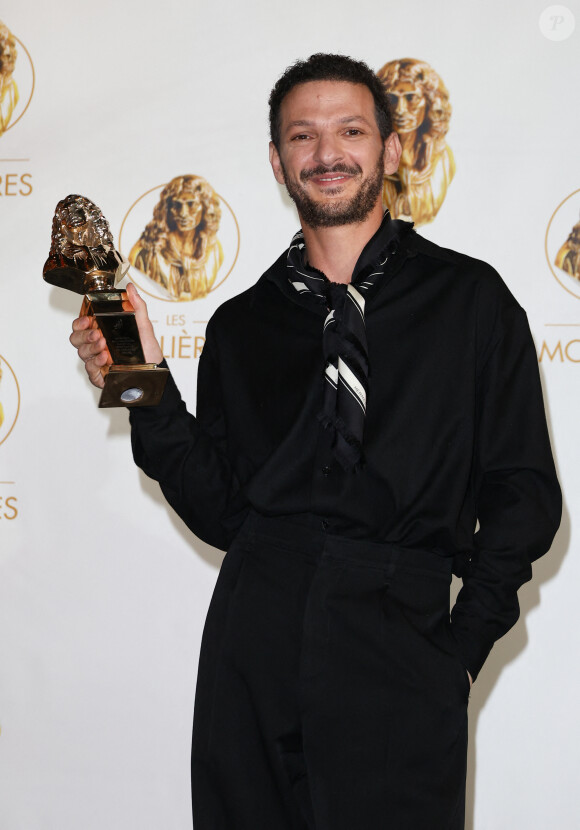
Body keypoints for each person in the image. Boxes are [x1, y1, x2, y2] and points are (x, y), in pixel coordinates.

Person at [70, 53, 561, 830]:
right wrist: (142, 379)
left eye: (351, 132)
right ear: (278, 161)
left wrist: (456, 653)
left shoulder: (471, 302)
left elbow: (523, 495)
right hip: (255, 631)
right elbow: (224, 511)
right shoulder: (242, 323)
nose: (326, 154)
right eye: (303, 136)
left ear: (391, 152)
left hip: (402, 631)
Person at [377, 58, 455, 225]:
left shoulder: (442, 159)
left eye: (411, 98)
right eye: (392, 99)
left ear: (430, 102)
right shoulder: (369, 160)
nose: (401, 109)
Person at [129, 174, 224, 301]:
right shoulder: (151, 252)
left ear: (206, 208)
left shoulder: (213, 250)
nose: (183, 213)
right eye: (177, 205)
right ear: (167, 209)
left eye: (191, 204)